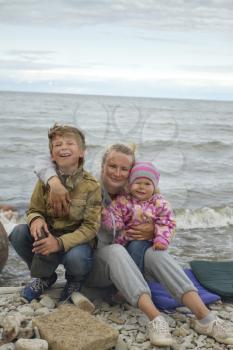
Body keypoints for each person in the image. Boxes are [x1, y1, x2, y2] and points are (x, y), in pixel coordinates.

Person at [34, 143, 233, 347]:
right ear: (102, 166)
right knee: (116, 250)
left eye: (124, 169)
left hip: (133, 270)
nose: (117, 173)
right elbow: (43, 160)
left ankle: (206, 318)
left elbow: (166, 221)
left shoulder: (139, 192)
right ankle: (155, 318)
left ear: (131, 173)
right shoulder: (88, 185)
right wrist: (54, 182)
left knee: (157, 253)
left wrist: (154, 229)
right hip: (96, 269)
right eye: (112, 166)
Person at [10, 124, 102, 303]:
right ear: (52, 155)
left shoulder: (92, 186)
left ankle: (75, 280)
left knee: (77, 258)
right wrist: (35, 219)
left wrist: (59, 243)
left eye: (70, 143)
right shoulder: (45, 181)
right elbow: (34, 209)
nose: (64, 147)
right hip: (49, 234)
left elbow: (91, 228)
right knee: (19, 233)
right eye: (58, 145)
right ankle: (44, 277)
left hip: (76, 242)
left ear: (82, 152)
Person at [102, 161, 176, 271]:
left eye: (147, 184)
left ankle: (137, 279)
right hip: (124, 240)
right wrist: (107, 217)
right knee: (120, 252)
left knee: (136, 248)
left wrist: (161, 239)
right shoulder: (123, 201)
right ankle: (123, 278)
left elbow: (166, 222)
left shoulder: (160, 203)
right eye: (138, 182)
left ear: (154, 186)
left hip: (147, 241)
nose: (142, 187)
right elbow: (115, 219)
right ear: (130, 184)